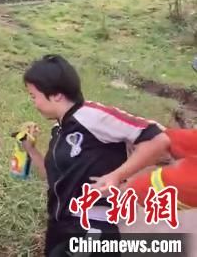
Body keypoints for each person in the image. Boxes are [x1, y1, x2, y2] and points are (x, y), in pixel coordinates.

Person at [18, 54, 170, 256]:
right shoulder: (59, 129)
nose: (34, 103)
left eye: (33, 96)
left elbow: (157, 139)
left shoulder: (93, 115)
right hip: (60, 226)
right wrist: (30, 149)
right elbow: (53, 177)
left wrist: (115, 176)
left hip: (92, 226)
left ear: (56, 94)